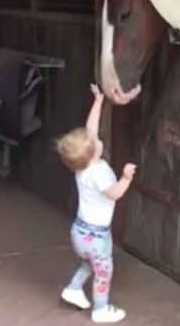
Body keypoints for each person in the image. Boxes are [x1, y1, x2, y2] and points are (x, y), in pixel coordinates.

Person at [55, 84, 136, 323]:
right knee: (104, 271)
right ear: (94, 153)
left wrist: (98, 101)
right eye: (96, 141)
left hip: (82, 232)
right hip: (96, 236)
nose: (98, 139)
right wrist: (126, 178)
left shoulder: (83, 167)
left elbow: (91, 130)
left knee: (90, 264)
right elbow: (114, 194)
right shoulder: (98, 173)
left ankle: (73, 289)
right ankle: (100, 309)